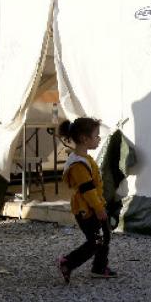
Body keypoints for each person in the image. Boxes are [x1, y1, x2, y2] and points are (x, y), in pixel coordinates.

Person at [56, 117, 117, 282]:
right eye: (96, 136)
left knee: (103, 237)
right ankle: (68, 262)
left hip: (93, 206)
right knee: (96, 241)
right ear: (84, 139)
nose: (99, 139)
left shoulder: (85, 159)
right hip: (87, 210)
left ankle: (99, 267)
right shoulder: (78, 165)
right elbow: (88, 191)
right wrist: (98, 208)